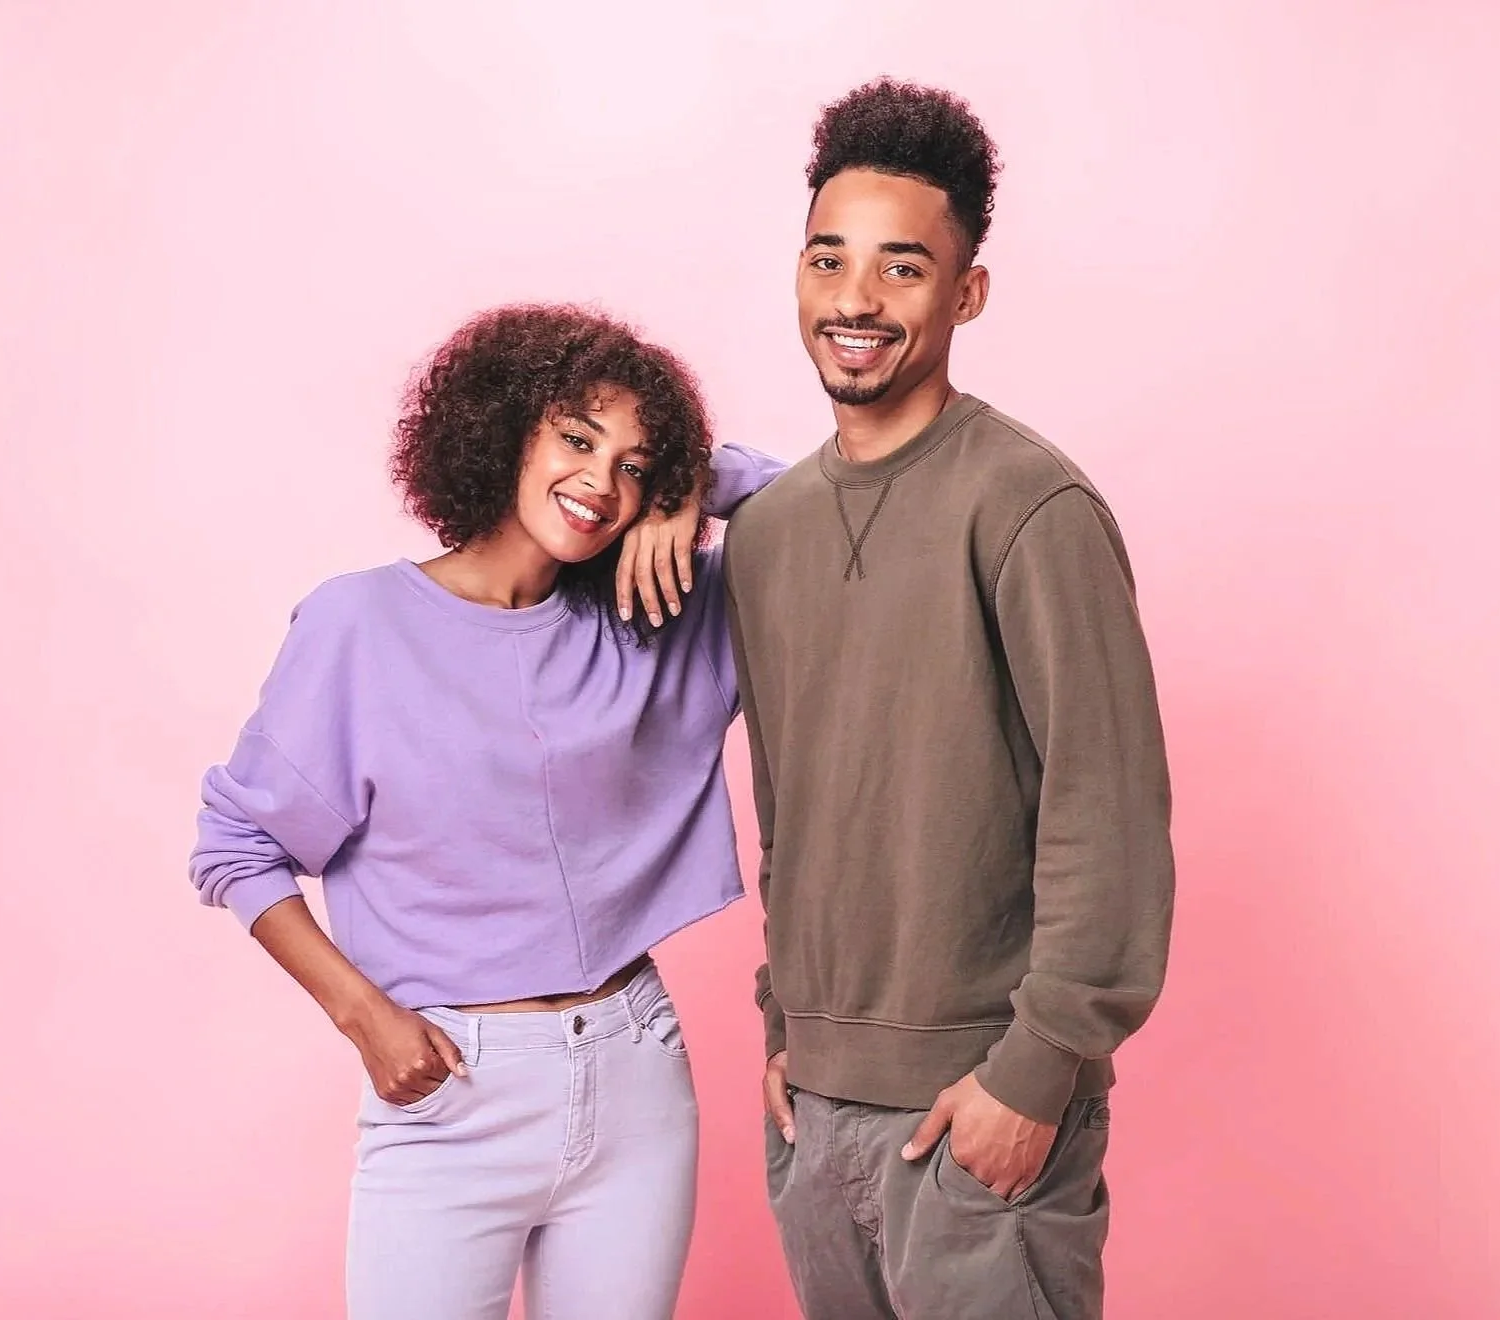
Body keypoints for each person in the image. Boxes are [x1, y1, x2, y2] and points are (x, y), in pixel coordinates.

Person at [187, 303, 784, 1320]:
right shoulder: (360, 624)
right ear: (504, 427)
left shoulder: (655, 612)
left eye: (635, 464)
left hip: (634, 1076)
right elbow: (237, 847)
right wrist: (364, 1017)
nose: (601, 482)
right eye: (577, 438)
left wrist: (695, 485)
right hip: (450, 1093)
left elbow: (836, 512)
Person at [723, 79, 1177, 1317]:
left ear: (964, 293)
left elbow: (1109, 807)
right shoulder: (764, 535)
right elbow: (791, 803)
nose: (855, 300)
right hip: (813, 1111)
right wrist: (783, 1027)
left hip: (977, 1109)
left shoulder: (1029, 508)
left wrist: (1038, 1070)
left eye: (902, 269)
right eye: (829, 260)